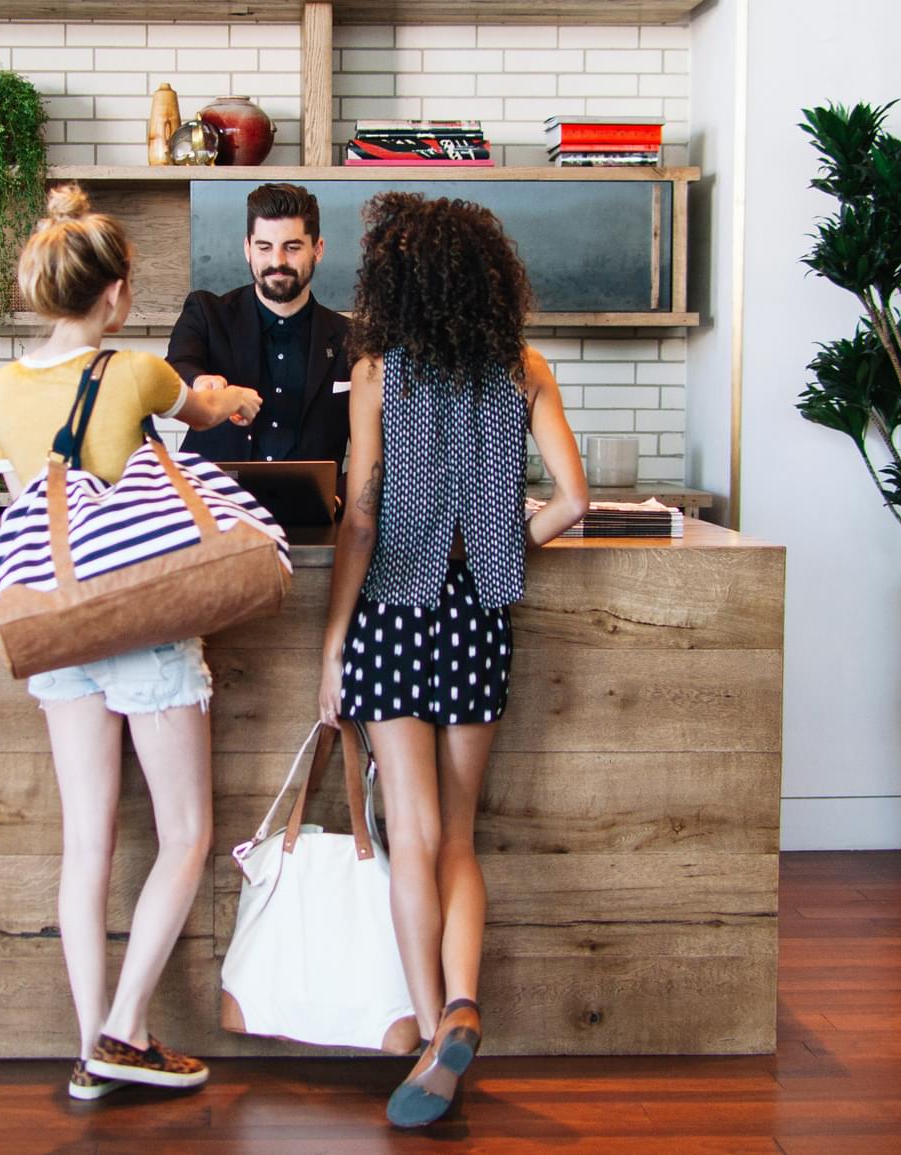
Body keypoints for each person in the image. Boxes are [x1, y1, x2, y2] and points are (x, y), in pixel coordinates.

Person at [0, 183, 263, 1102]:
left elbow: (25, 489)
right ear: (113, 294)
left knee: (86, 846)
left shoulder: (1, 387)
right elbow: (206, 405)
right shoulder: (135, 370)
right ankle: (125, 1030)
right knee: (185, 832)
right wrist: (235, 398)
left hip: (60, 625)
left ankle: (87, 1051)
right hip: (141, 616)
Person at [316, 193, 588, 1128]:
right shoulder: (524, 367)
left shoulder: (378, 372)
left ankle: (436, 1035)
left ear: (392, 283)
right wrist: (503, 546)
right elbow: (572, 501)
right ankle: (463, 997)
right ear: (485, 277)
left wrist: (330, 647)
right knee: (463, 840)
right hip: (478, 621)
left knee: (412, 840)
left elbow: (358, 514)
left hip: (392, 614)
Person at [166, 182, 353, 464]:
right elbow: (177, 367)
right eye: (264, 247)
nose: (277, 261)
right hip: (214, 503)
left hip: (311, 507)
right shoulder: (206, 312)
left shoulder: (350, 338)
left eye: (292, 247)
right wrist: (202, 382)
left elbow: (374, 448)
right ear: (247, 248)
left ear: (318, 249)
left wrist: (337, 500)